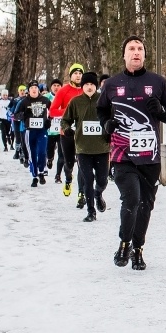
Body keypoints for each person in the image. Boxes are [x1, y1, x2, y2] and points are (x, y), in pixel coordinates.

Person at [97, 36, 166, 270]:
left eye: (140, 48)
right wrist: (106, 124)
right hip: (123, 153)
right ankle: (124, 243)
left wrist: (160, 111)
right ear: (124, 55)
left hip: (150, 156)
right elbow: (101, 110)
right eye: (131, 48)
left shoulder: (158, 82)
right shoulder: (112, 84)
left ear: (144, 54)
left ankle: (138, 249)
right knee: (131, 199)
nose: (136, 52)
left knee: (145, 204)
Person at [62, 72, 110, 222]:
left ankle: (98, 193)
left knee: (102, 180)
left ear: (96, 86)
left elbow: (113, 119)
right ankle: (91, 212)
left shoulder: (104, 101)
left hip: (102, 148)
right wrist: (67, 129)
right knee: (87, 180)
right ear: (82, 86)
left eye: (92, 84)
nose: (89, 87)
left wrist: (110, 130)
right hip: (83, 149)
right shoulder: (76, 102)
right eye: (86, 84)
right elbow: (65, 120)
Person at [50, 63, 85, 204]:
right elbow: (52, 111)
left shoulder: (86, 89)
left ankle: (81, 193)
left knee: (82, 164)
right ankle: (68, 179)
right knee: (69, 162)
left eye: (80, 73)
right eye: (75, 73)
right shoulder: (63, 91)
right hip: (67, 133)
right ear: (70, 76)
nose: (78, 76)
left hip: (83, 134)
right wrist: (69, 111)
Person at [15, 80, 52, 186]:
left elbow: (53, 111)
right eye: (32, 88)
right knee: (32, 154)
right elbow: (16, 115)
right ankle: (35, 176)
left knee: (42, 152)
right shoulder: (24, 102)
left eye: (36, 88)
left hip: (42, 130)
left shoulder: (45, 100)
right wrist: (22, 116)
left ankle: (41, 172)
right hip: (29, 131)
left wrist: (49, 120)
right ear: (29, 90)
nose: (34, 90)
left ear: (38, 90)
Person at [45, 77, 64, 180]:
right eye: (54, 86)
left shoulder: (65, 96)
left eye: (58, 86)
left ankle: (58, 175)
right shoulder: (46, 97)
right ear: (51, 87)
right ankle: (50, 159)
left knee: (62, 154)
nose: (56, 88)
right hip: (50, 130)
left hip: (61, 130)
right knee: (49, 151)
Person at [9, 85, 27, 161]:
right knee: (18, 137)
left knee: (24, 137)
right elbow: (9, 109)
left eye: (23, 90)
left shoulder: (27, 99)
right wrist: (11, 114)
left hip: (24, 121)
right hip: (16, 121)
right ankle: (17, 152)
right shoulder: (14, 100)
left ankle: (22, 152)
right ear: (18, 91)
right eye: (21, 90)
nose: (22, 92)